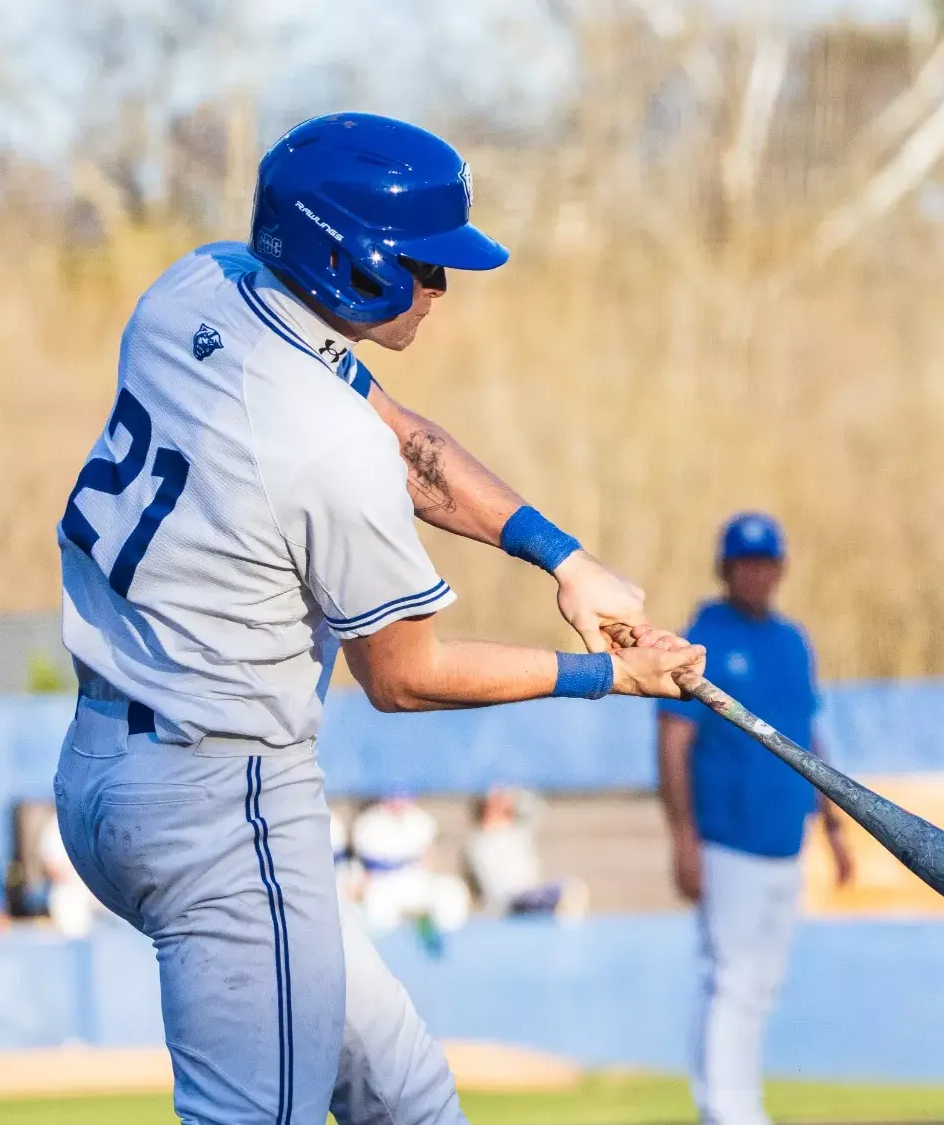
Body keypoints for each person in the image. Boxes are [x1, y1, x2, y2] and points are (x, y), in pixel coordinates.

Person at [51, 111, 702, 1125]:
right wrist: (607, 678)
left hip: (105, 767)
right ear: (345, 258)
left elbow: (407, 448)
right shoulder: (323, 449)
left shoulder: (196, 286)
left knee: (407, 1100)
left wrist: (564, 561)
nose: (437, 291)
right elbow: (403, 678)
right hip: (223, 804)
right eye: (418, 266)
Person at [656, 512, 854, 1125]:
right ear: (726, 568)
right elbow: (673, 740)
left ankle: (742, 1104)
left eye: (766, 561)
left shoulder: (793, 642)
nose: (757, 573)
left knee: (762, 982)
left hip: (785, 838)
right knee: (732, 977)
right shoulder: (700, 639)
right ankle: (725, 1110)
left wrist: (835, 826)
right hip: (727, 838)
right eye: (745, 562)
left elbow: (807, 734)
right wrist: (683, 836)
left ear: (780, 568)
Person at [351, 793, 471, 936]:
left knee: (452, 890)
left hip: (417, 881)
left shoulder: (421, 820)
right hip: (384, 884)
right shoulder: (368, 824)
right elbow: (367, 870)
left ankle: (444, 942)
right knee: (378, 907)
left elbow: (428, 861)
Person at [464, 784, 586, 919]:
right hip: (510, 903)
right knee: (564, 893)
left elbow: (535, 807)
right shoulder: (480, 844)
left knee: (571, 888)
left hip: (525, 897)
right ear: (488, 809)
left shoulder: (515, 833)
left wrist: (511, 795)